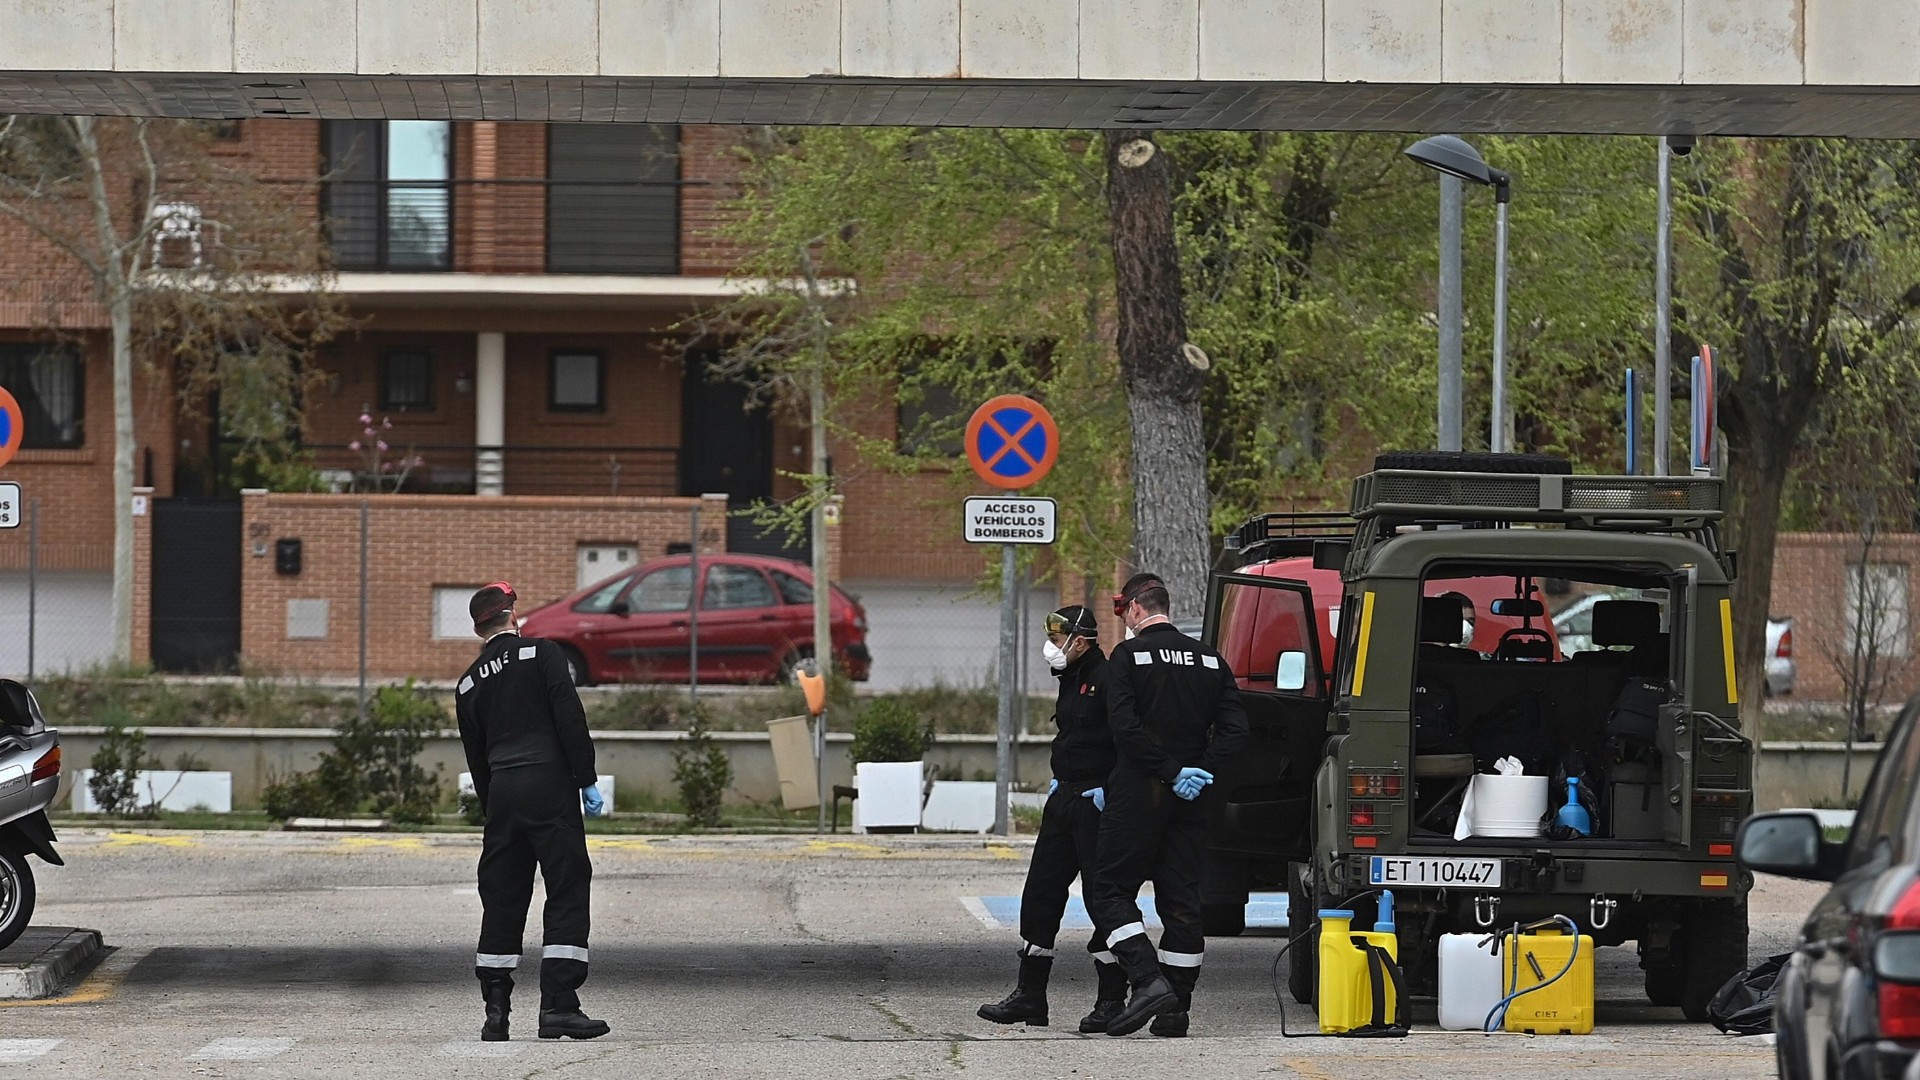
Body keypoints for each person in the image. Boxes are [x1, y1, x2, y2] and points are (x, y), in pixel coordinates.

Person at [1089, 573, 1248, 1038]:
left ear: (1137, 608)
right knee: (1181, 901)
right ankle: (1176, 1008)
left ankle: (1147, 981)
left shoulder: (1128, 656)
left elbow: (1124, 727)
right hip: (1190, 798)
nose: (1125, 620)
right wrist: (1198, 772)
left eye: (1124, 611)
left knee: (1110, 892)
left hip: (1139, 791)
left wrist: (1168, 771)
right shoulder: (1210, 660)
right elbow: (1236, 731)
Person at [455, 582, 610, 1043]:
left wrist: (494, 807)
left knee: (502, 895)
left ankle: (496, 1010)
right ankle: (559, 1006)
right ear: (513, 617)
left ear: (478, 629)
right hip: (548, 785)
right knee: (566, 885)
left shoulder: (468, 683)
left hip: (503, 793)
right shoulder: (542, 654)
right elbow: (569, 717)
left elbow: (476, 756)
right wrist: (585, 778)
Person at [978, 605, 1127, 1033]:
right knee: (1041, 894)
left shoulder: (1107, 679)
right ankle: (1031, 995)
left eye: (1057, 639)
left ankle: (1112, 998)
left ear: (1080, 642)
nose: (1051, 646)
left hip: (1096, 804)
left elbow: (1127, 740)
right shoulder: (1070, 677)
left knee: (1101, 900)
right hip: (1064, 800)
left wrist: (1110, 789)